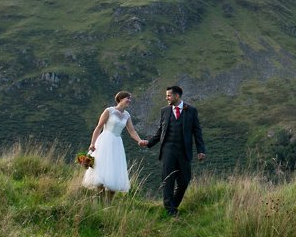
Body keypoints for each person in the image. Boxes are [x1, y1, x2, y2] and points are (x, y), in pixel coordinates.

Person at [140, 85, 206, 216]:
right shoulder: (164, 111)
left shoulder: (191, 110)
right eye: (166, 96)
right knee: (168, 181)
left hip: (184, 151)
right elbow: (160, 131)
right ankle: (170, 210)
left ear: (177, 96)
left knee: (184, 181)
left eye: (169, 95)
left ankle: (173, 204)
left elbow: (197, 131)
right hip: (168, 151)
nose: (167, 98)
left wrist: (201, 150)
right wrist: (149, 143)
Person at [82, 91, 145, 200]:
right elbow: (98, 128)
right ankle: (100, 199)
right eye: (127, 98)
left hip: (117, 143)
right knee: (101, 169)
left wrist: (139, 140)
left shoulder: (127, 115)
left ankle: (108, 202)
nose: (129, 100)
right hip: (105, 141)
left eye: (130, 98)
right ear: (120, 99)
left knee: (115, 170)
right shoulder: (109, 111)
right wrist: (92, 143)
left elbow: (132, 131)